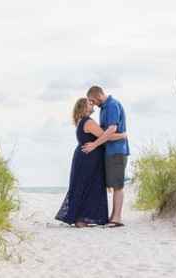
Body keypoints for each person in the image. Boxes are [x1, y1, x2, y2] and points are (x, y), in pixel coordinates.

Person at [55, 97, 127, 227]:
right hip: (88, 159)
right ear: (84, 107)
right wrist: (123, 135)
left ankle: (80, 219)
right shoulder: (88, 122)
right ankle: (80, 219)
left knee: (85, 187)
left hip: (86, 158)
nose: (92, 104)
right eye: (89, 103)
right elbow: (106, 136)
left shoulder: (82, 121)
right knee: (88, 187)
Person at [81, 85, 129, 228]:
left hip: (117, 151)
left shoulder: (112, 105)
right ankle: (113, 217)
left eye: (92, 101)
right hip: (110, 151)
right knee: (114, 184)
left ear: (99, 96)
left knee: (118, 186)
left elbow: (112, 129)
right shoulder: (104, 108)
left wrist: (95, 144)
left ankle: (117, 218)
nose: (92, 104)